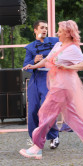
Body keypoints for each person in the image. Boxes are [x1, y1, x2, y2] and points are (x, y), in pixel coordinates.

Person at [19, 20, 83, 159]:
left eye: (59, 31)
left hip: (63, 86)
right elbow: (48, 59)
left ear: (67, 33)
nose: (56, 33)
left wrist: (67, 67)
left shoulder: (72, 48)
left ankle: (37, 146)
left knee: (45, 113)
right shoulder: (59, 45)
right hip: (59, 85)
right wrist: (33, 66)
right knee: (72, 117)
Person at [23, 20, 60, 149]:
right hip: (35, 79)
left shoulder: (55, 41)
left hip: (50, 78)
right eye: (42, 28)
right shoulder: (30, 47)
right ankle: (34, 138)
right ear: (35, 30)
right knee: (33, 109)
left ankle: (53, 136)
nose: (44, 30)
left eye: (46, 28)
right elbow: (25, 67)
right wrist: (34, 60)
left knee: (47, 109)